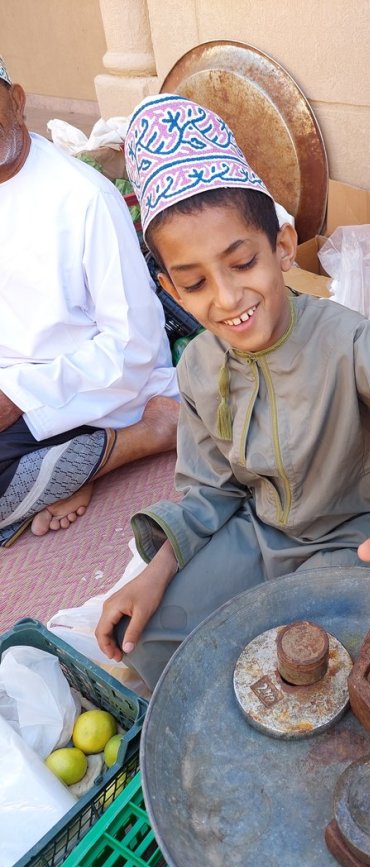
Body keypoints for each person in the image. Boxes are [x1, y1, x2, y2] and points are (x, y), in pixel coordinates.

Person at [95, 94, 370, 690]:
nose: (224, 298)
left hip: (358, 538)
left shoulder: (347, 341)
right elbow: (209, 493)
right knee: (152, 642)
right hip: (257, 534)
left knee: (336, 666)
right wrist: (157, 567)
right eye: (193, 284)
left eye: (241, 263)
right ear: (170, 287)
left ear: (281, 246)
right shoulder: (196, 366)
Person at [0, 57, 180, 546]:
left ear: (17, 100)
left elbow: (134, 348)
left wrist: (18, 395)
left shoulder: (83, 198)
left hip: (87, 387)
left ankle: (144, 436)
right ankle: (71, 470)